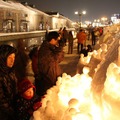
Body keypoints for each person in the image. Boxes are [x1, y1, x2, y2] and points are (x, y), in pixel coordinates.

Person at [37, 31, 64, 97]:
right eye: (57, 40)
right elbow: (56, 59)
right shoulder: (45, 49)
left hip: (52, 76)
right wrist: (60, 48)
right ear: (52, 39)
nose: (58, 41)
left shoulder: (51, 47)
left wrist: (59, 48)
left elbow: (60, 59)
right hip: (48, 79)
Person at [0, 44, 18, 120]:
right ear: (2, 58)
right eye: (9, 57)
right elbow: (1, 101)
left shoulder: (10, 71)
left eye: (14, 57)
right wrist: (13, 112)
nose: (12, 60)